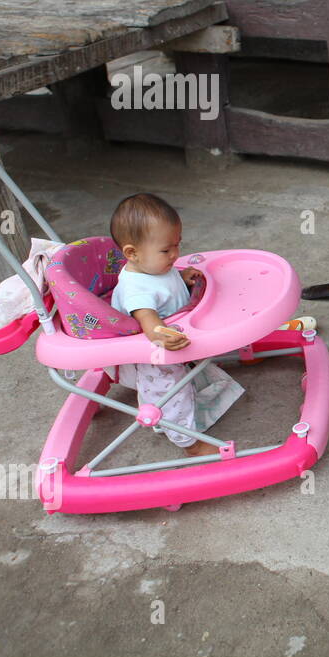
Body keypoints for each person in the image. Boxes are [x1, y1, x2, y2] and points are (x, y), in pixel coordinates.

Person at [109, 193, 243, 459]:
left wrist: (180, 278)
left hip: (177, 329)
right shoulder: (136, 289)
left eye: (177, 246)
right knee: (171, 394)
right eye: (166, 250)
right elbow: (148, 320)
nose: (175, 254)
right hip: (153, 356)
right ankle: (188, 442)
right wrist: (163, 336)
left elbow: (164, 285)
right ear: (132, 253)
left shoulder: (152, 266)